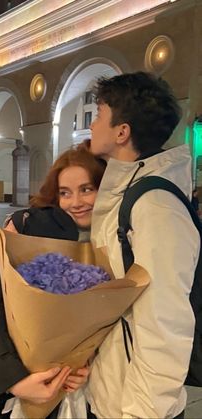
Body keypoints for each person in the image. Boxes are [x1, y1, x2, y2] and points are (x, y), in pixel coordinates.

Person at [83, 72, 200, 419]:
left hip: (134, 406)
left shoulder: (156, 206)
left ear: (122, 131)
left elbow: (164, 325)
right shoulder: (128, 191)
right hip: (111, 391)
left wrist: (140, 414)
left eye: (99, 115)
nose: (91, 126)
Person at [0, 141, 106, 419]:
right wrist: (14, 379)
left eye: (87, 189)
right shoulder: (31, 230)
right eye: (65, 193)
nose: (75, 202)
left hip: (86, 393)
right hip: (19, 385)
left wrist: (83, 364)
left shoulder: (117, 242)